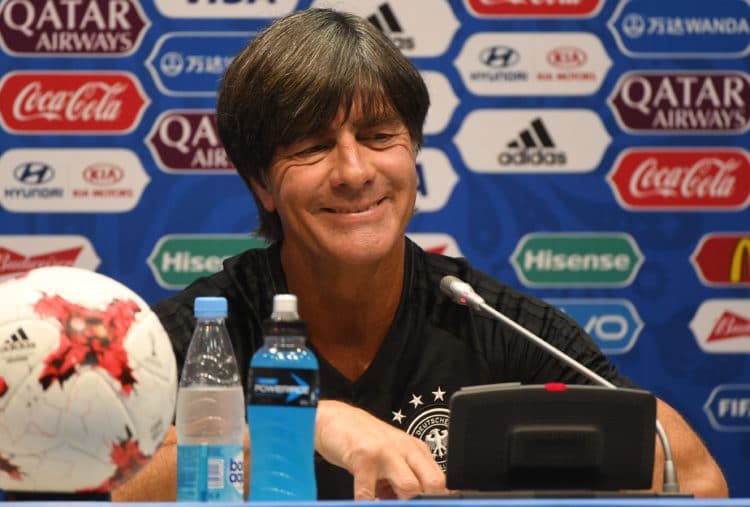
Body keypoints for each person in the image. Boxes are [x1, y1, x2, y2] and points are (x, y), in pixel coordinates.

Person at [113, 7, 728, 501]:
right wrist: (309, 427)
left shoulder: (493, 323)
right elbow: (102, 483)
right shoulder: (199, 333)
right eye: (312, 145)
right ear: (262, 186)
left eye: (380, 137)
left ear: (413, 156)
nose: (354, 171)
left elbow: (696, 478)